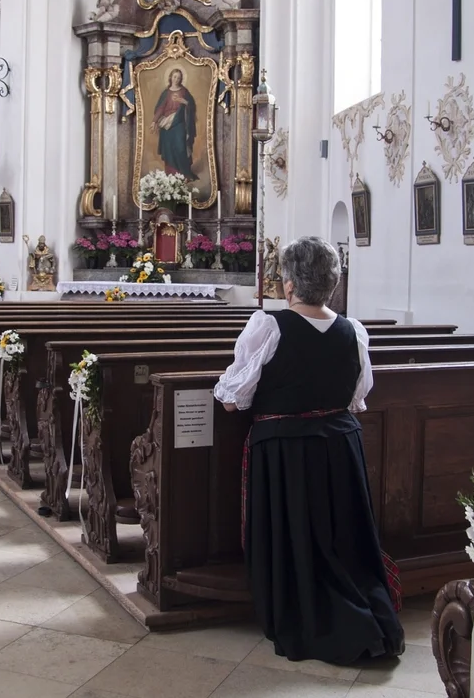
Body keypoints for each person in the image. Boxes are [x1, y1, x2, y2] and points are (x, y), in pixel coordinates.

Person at [214, 236, 404, 665]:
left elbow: (232, 399)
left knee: (298, 531)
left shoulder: (267, 325)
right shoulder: (353, 330)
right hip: (340, 445)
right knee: (340, 537)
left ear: (288, 285)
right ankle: (360, 612)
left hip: (286, 452)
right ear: (331, 285)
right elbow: (357, 398)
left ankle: (306, 611)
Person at [151, 68, 198, 181]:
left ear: (181, 79)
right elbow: (160, 108)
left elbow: (192, 106)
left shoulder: (184, 92)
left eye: (178, 77)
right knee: (169, 149)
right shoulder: (166, 93)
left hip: (179, 124)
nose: (176, 79)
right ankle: (171, 176)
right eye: (175, 76)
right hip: (167, 126)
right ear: (171, 77)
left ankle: (184, 174)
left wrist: (184, 102)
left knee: (181, 147)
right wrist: (154, 121)